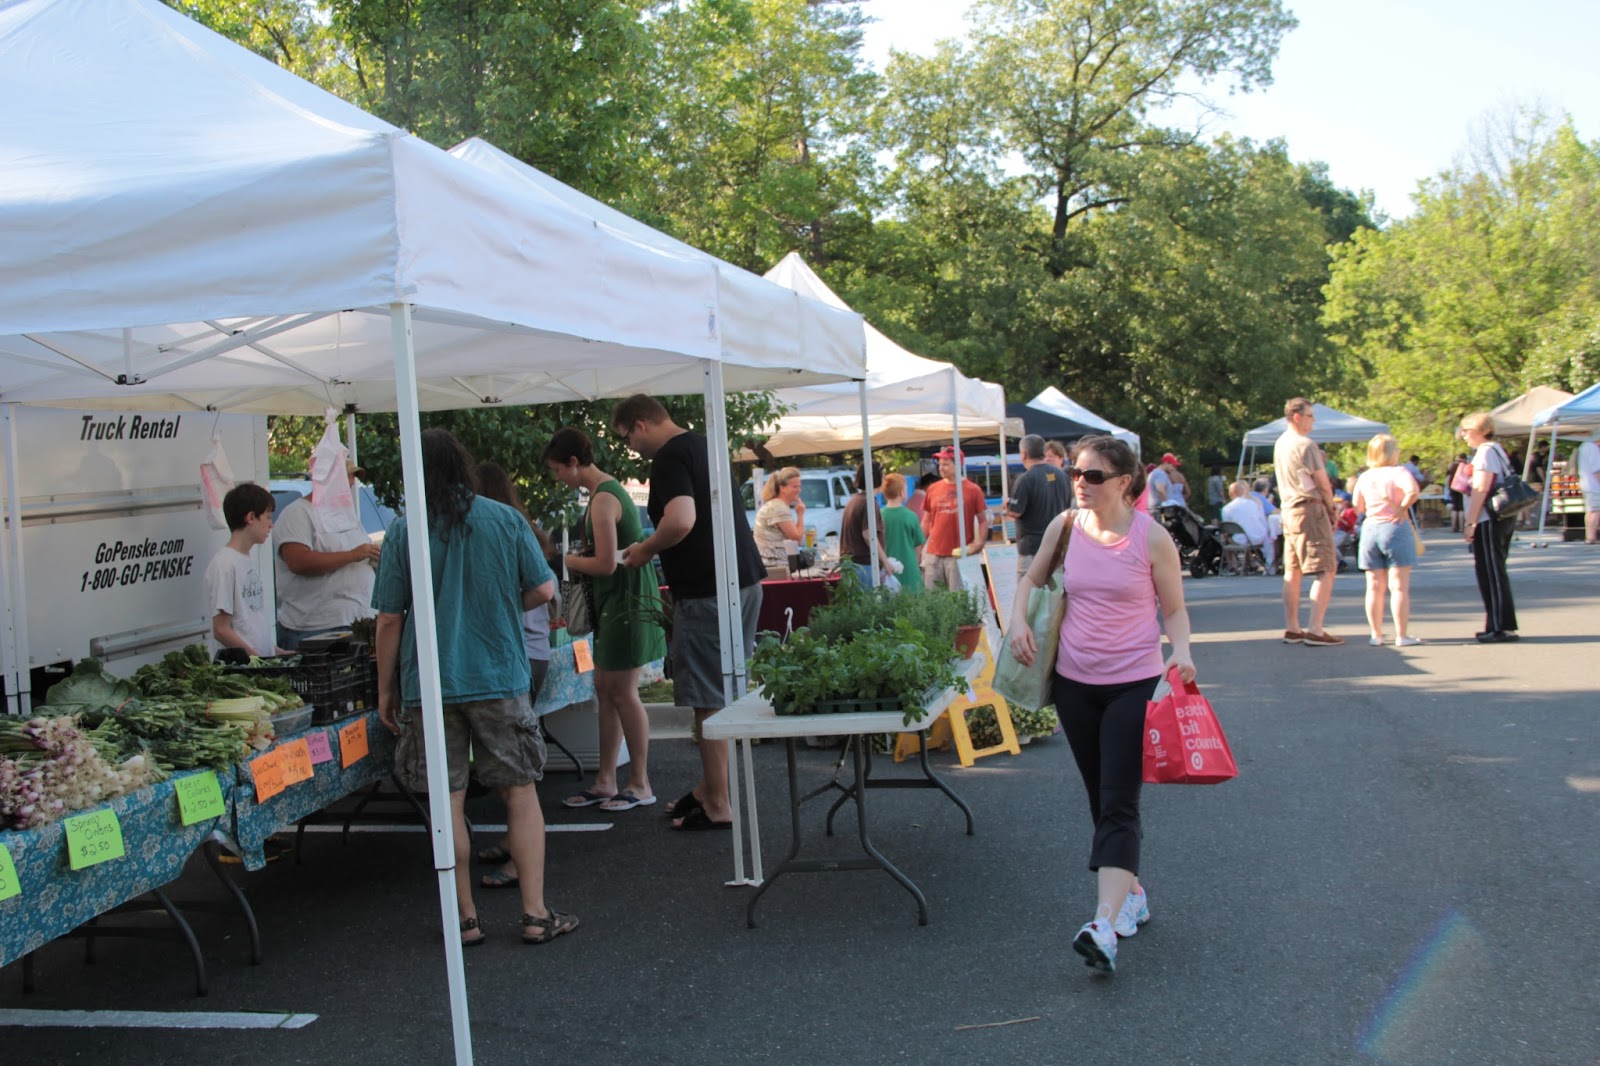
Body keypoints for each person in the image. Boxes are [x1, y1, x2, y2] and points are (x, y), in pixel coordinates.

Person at [373, 429, 574, 946]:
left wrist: (384, 688)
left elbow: (390, 619)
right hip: (498, 673)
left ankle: (464, 919)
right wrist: (504, 608)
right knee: (520, 791)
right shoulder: (503, 518)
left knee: (449, 800)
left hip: (429, 683)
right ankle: (535, 914)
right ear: (462, 466)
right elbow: (545, 589)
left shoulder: (403, 530)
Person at [1004, 435, 1194, 976]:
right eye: (1076, 474)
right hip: (1074, 684)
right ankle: (1131, 892)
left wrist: (1180, 651)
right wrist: (1018, 620)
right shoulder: (1066, 527)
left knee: (1118, 802)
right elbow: (1031, 580)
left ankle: (1103, 925)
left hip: (1133, 684)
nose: (1079, 484)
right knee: (1099, 796)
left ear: (1123, 483)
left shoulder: (1151, 539)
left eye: (1092, 476)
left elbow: (1175, 612)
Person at [614, 394, 765, 831]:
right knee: (724, 690)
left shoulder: (668, 458)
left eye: (626, 438)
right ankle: (709, 786)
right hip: (745, 581)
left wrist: (643, 550)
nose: (630, 448)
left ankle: (718, 802)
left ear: (640, 424)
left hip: (707, 591)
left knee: (706, 700)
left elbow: (680, 520)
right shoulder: (707, 444)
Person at [539, 428, 669, 821]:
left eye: (558, 470)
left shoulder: (603, 499)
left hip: (625, 604)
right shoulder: (605, 494)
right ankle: (607, 779)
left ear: (574, 463)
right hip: (618, 604)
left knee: (623, 692)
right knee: (606, 688)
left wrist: (570, 561)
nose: (557, 477)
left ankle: (640, 783)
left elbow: (605, 564)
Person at [273, 462, 383, 650]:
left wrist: (371, 557)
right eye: (346, 476)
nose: (351, 482)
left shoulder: (345, 515)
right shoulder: (297, 513)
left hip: (357, 621)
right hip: (317, 629)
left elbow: (359, 553)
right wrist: (352, 555)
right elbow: (298, 562)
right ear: (327, 479)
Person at [1275, 398, 1343, 646]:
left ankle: (1292, 626)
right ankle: (1315, 628)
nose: (1313, 420)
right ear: (1296, 417)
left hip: (1288, 510)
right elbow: (1322, 482)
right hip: (1309, 508)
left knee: (1293, 570)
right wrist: (1331, 506)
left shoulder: (1280, 443)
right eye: (1310, 416)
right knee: (1326, 567)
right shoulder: (1305, 445)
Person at [1353, 435, 1421, 647]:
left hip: (1371, 528)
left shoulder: (1365, 476)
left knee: (1373, 586)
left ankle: (1376, 634)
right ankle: (1401, 634)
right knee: (1398, 586)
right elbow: (1413, 492)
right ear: (1393, 452)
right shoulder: (1399, 472)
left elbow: (1358, 505)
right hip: (1395, 526)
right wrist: (1401, 508)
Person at [1459, 412, 1518, 642]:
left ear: (1480, 431)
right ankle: (1499, 622)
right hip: (1501, 518)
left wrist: (1470, 522)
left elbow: (1481, 489)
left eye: (1467, 431)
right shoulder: (1496, 450)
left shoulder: (1485, 452)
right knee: (1494, 570)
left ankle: (1498, 625)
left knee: (1491, 572)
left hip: (1488, 519)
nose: (1464, 435)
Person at [206, 482, 277, 658]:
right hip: (243, 673)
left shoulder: (247, 559)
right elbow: (221, 629)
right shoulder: (224, 564)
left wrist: (274, 651)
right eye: (268, 517)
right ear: (251, 517)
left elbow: (251, 620)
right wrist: (257, 659)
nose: (271, 525)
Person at [920, 446, 988, 591]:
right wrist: (920, 546)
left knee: (959, 597)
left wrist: (979, 543)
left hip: (959, 553)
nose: (941, 468)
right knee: (933, 598)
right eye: (940, 464)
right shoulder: (933, 489)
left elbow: (983, 520)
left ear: (958, 465)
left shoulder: (973, 489)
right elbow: (926, 520)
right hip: (933, 552)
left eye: (946, 464)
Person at [1005, 433, 1071, 575]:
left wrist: (1007, 505)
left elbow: (1015, 511)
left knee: (1028, 593)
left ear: (1023, 454)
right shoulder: (1063, 476)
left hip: (1032, 548)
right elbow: (1067, 508)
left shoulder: (1025, 479)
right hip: (1058, 546)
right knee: (1055, 592)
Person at [840, 459, 890, 588]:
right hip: (864, 566)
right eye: (883, 475)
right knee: (868, 606)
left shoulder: (854, 500)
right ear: (876, 477)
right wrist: (885, 561)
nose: (885, 479)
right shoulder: (869, 503)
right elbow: (868, 535)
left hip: (851, 564)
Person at [752, 466, 807, 571]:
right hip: (775, 566)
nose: (798, 490)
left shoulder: (775, 505)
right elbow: (797, 539)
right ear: (782, 488)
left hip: (769, 564)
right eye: (795, 486)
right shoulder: (779, 508)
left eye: (799, 486)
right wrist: (800, 514)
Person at [880, 473, 925, 593]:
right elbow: (918, 545)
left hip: (886, 569)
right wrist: (915, 563)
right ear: (901, 492)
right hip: (909, 568)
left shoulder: (879, 515)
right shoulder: (910, 516)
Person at [1220, 479, 1274, 571]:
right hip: (1259, 537)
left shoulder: (1226, 509)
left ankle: (1232, 565)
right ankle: (1251, 563)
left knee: (1226, 538)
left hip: (1243, 539)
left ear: (1231, 494)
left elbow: (1227, 530)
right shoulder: (1253, 504)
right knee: (1245, 533)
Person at [1577, 431, 1600, 545]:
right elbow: (1597, 470)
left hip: (1586, 484)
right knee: (1596, 510)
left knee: (1590, 510)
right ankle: (1591, 537)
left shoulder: (1583, 446)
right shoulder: (1593, 449)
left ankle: (1589, 535)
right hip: (1594, 485)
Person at [1444, 452, 1470, 533]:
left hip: (1453, 487)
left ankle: (1453, 527)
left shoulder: (1452, 465)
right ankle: (1462, 527)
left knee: (1455, 508)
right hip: (1462, 487)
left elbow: (1447, 477)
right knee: (1461, 508)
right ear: (1465, 458)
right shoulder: (1466, 466)